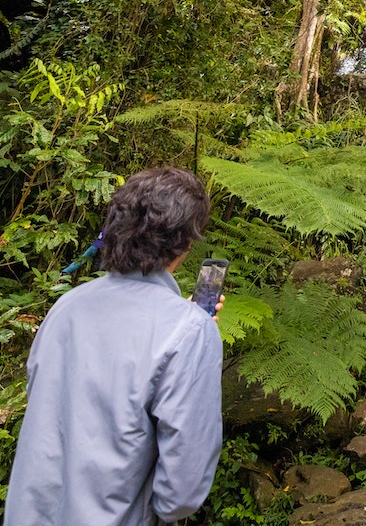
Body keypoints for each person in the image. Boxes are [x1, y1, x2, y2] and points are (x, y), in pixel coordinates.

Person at [6, 167, 224, 526]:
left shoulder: (66, 308)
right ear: (185, 243)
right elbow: (180, 493)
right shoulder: (188, 332)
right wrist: (189, 330)